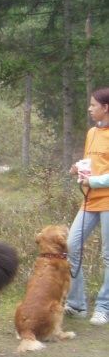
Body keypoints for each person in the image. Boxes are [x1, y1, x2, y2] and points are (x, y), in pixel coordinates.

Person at [64, 87, 109, 326]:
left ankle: (104, 307)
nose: (90, 109)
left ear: (105, 108)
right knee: (71, 246)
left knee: (108, 256)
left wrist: (95, 180)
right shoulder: (92, 132)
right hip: (89, 200)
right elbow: (92, 163)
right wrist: (78, 169)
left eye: (93, 105)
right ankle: (77, 304)